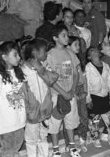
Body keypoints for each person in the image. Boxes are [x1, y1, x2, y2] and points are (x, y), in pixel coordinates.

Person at [43, 24, 81, 157]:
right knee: (55, 123)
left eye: (67, 35)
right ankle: (55, 148)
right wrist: (63, 93)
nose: (67, 38)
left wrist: (72, 90)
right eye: (63, 35)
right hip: (56, 95)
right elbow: (49, 79)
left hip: (70, 95)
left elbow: (75, 74)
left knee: (70, 122)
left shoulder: (70, 53)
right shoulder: (49, 55)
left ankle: (71, 145)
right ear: (55, 38)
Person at [85, 47, 110, 148]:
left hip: (105, 96)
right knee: (95, 120)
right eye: (92, 51)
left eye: (96, 50)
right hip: (94, 96)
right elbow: (87, 84)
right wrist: (88, 98)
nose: (95, 51)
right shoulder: (88, 67)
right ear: (89, 57)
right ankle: (95, 139)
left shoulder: (106, 66)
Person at [22, 39, 54, 157]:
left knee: (43, 137)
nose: (46, 54)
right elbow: (23, 92)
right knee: (31, 140)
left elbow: (52, 79)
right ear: (35, 53)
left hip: (45, 109)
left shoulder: (44, 66)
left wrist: (40, 68)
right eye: (44, 51)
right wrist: (28, 109)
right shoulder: (23, 69)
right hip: (32, 112)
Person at [67, 36, 89, 152]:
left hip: (80, 89)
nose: (79, 47)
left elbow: (83, 77)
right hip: (71, 89)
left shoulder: (78, 59)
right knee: (70, 117)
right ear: (68, 46)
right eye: (76, 44)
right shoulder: (66, 60)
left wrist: (85, 90)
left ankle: (82, 140)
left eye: (79, 45)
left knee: (83, 116)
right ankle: (69, 143)